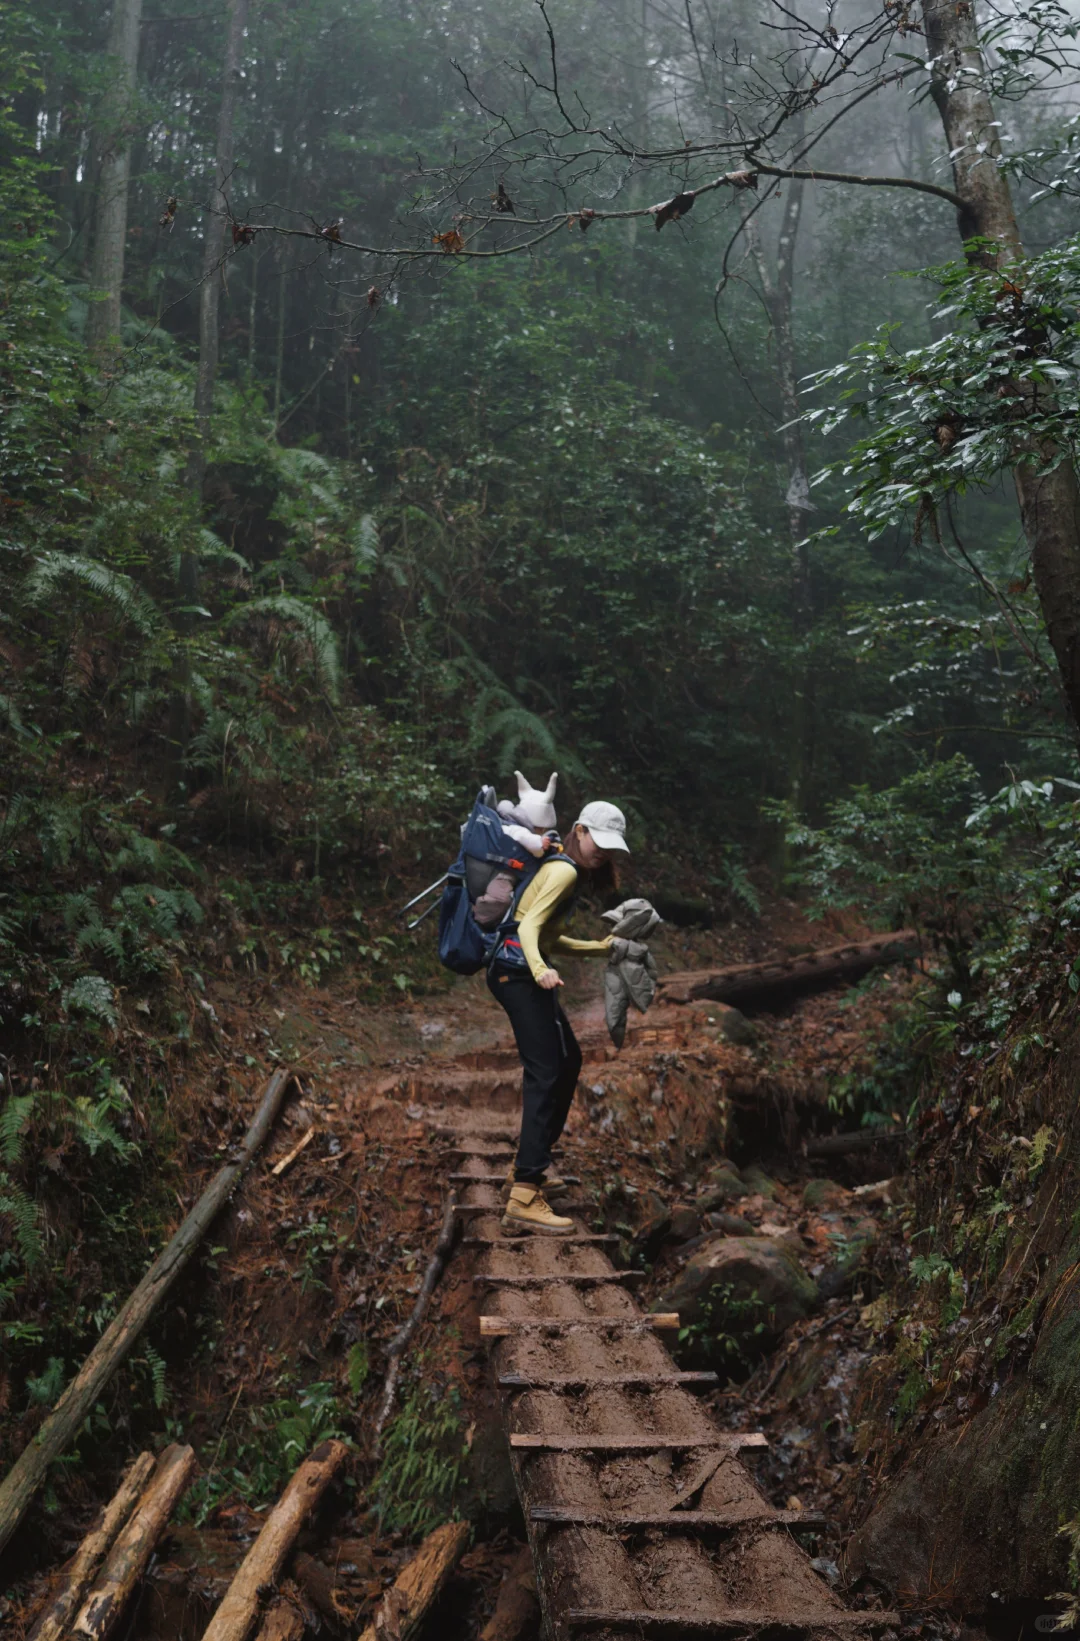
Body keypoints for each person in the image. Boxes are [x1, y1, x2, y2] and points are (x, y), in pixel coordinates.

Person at [488, 799, 630, 1236]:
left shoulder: (564, 868)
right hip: (517, 973)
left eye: (610, 847)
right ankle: (525, 1194)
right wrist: (539, 970)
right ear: (579, 830)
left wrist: (599, 947)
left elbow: (549, 935)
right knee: (546, 1071)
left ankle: (530, 1168)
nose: (602, 852)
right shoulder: (564, 870)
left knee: (567, 1062)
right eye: (597, 841)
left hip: (518, 971)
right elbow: (527, 931)